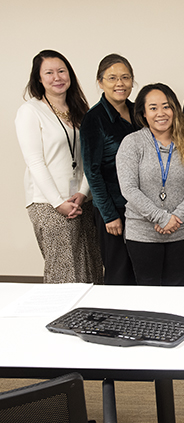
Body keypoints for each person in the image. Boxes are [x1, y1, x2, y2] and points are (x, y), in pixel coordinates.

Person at [15, 49, 103, 284]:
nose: (57, 77)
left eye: (62, 71)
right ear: (38, 79)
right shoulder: (30, 111)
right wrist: (58, 202)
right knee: (64, 272)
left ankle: (89, 319)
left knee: (92, 268)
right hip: (48, 203)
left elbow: (90, 158)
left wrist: (83, 193)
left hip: (81, 200)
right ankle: (58, 321)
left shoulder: (81, 111)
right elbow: (35, 161)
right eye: (49, 72)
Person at [116, 84, 184, 286]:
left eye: (166, 107)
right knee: (148, 291)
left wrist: (176, 218)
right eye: (153, 108)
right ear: (143, 113)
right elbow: (128, 188)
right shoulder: (132, 143)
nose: (161, 113)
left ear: (175, 109)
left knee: (176, 287)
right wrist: (161, 218)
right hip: (142, 234)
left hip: (182, 231)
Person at [81, 54, 138, 285]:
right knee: (118, 273)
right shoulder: (94, 119)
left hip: (140, 208)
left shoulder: (140, 112)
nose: (120, 83)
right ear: (100, 81)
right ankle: (117, 320)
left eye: (125, 77)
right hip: (114, 209)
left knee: (140, 271)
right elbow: (92, 171)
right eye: (112, 78)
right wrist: (109, 215)